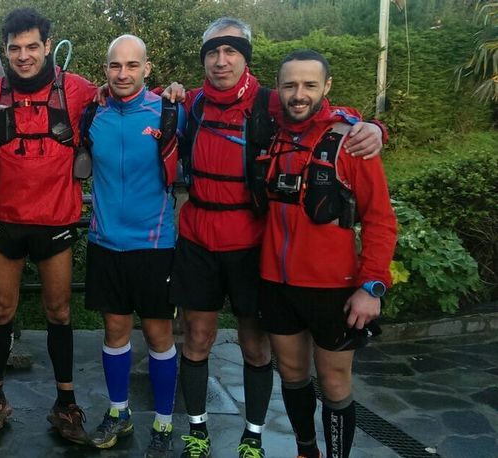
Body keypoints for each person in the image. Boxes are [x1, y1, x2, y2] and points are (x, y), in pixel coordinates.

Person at [167, 17, 387, 458]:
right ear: (204, 59)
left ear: (246, 59)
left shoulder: (270, 103)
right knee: (197, 337)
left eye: (231, 52)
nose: (221, 60)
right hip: (199, 238)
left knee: (255, 344)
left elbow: (328, 117)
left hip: (251, 244)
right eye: (213, 52)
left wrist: (374, 127)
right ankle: (197, 429)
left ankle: (252, 435)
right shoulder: (187, 102)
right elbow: (126, 95)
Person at [260, 49, 396, 458]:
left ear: (327, 88)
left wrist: (372, 287)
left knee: (334, 384)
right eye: (289, 85)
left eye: (309, 85)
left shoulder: (349, 142)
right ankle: (306, 451)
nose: (298, 94)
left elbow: (381, 220)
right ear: (278, 89)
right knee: (293, 374)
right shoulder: (273, 130)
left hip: (332, 288)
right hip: (276, 282)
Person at [0, 8, 100, 444]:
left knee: (59, 311)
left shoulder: (79, 90)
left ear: (48, 46)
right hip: (5, 222)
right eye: (15, 48)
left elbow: (126, 96)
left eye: (32, 47)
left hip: (56, 221)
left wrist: (174, 93)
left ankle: (65, 404)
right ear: (6, 50)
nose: (24, 56)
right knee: (1, 310)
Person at [81, 35, 180, 457]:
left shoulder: (171, 111)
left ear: (147, 68)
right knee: (115, 332)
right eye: (115, 66)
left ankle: (163, 421)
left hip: (155, 245)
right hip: (105, 242)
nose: (123, 74)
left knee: (158, 335)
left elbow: (222, 105)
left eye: (132, 65)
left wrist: (367, 125)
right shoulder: (92, 114)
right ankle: (118, 413)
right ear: (105, 69)